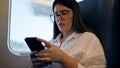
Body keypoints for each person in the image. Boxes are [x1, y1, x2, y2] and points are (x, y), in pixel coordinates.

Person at [30, 0, 106, 68]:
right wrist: (35, 64)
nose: (59, 18)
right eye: (56, 14)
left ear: (75, 14)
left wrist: (63, 58)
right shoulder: (51, 42)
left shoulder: (89, 39)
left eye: (64, 13)